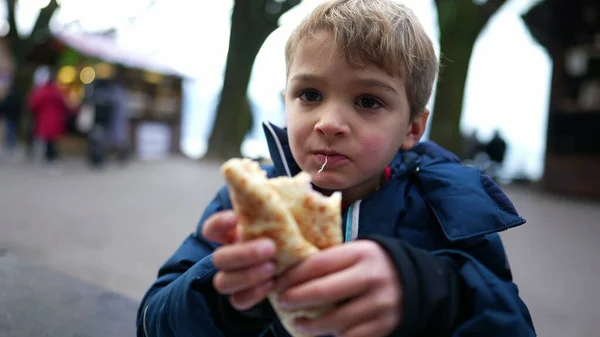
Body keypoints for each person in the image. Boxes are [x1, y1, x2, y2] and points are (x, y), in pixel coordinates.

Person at [137, 1, 535, 336]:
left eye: (367, 101)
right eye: (309, 94)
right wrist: (224, 293)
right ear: (286, 101)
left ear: (412, 127)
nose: (328, 122)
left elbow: (509, 321)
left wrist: (427, 290)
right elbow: (152, 320)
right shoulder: (242, 207)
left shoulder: (452, 211)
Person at [28, 68, 70, 164]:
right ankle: (52, 156)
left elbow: (33, 104)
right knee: (53, 139)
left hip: (43, 118)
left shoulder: (41, 91)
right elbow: (64, 105)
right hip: (56, 118)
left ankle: (48, 156)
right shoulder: (57, 91)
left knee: (46, 138)